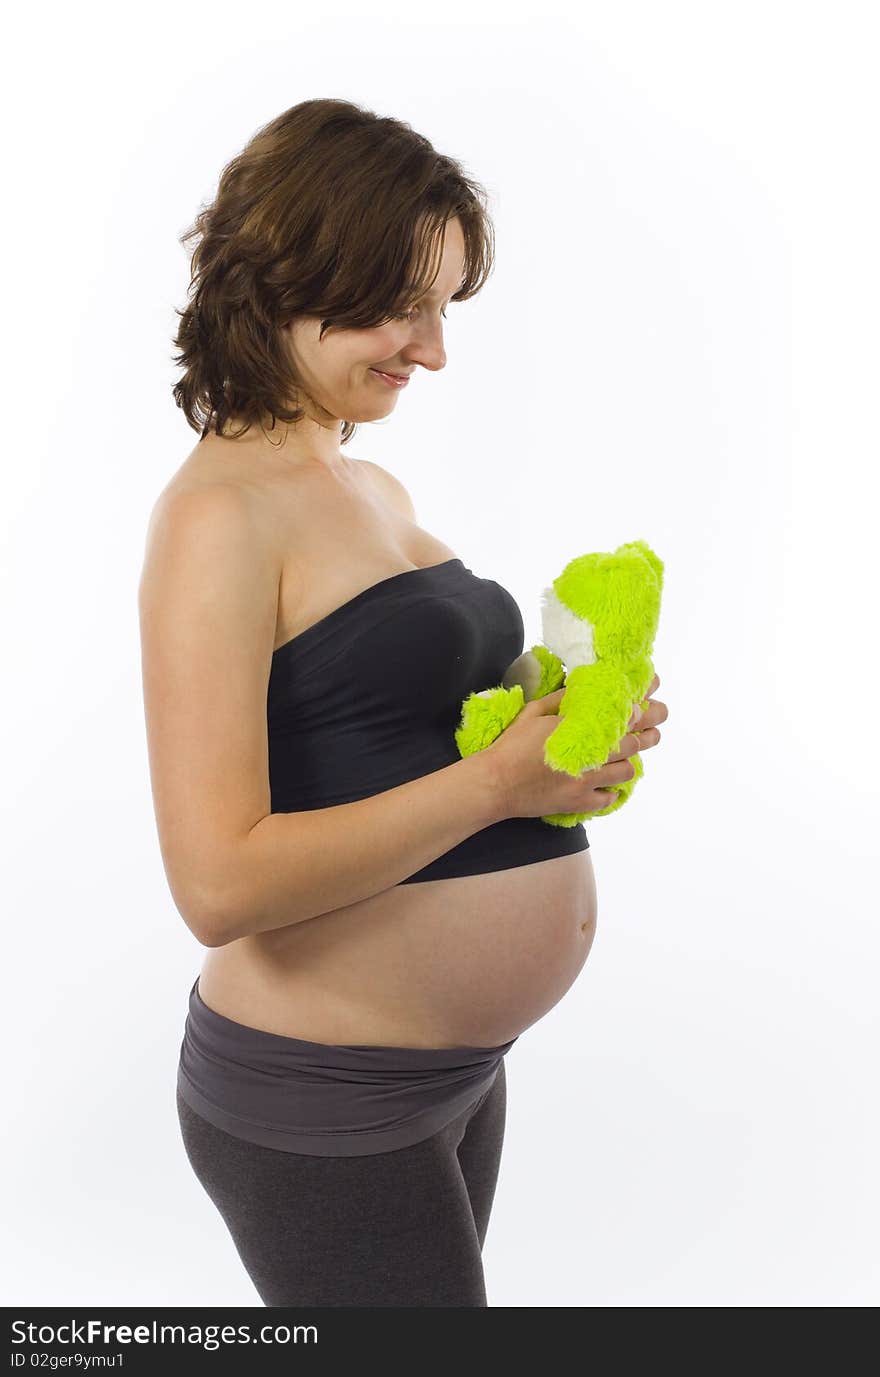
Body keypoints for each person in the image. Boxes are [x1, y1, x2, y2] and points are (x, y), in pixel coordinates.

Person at [138, 97, 667, 1307]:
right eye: (402, 306)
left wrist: (565, 719)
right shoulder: (218, 518)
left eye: (443, 308)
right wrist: (499, 783)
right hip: (321, 1091)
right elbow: (216, 886)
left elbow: (388, 733)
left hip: (453, 1067)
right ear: (285, 275)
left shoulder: (359, 473)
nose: (431, 351)